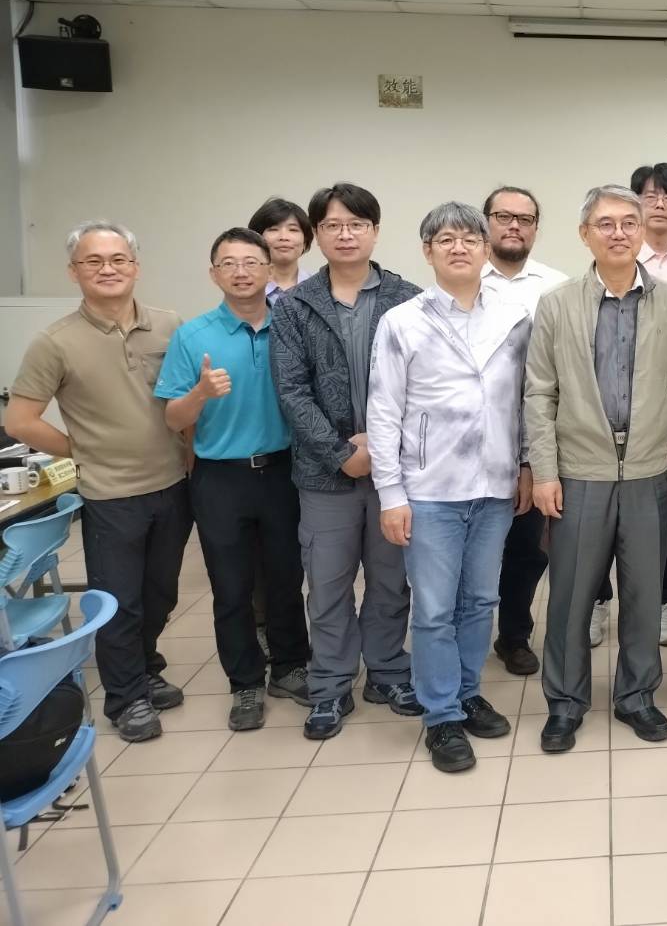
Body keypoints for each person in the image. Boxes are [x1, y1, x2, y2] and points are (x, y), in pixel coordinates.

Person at [6, 222, 192, 743]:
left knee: (161, 593)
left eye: (118, 259)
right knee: (120, 598)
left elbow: (184, 400)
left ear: (135, 266)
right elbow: (20, 420)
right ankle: (126, 698)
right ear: (74, 272)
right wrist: (81, 450)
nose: (108, 269)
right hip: (111, 493)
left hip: (172, 484)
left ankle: (145, 668)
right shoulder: (55, 342)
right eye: (94, 261)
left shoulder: (170, 326)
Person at [525, 185, 667, 753]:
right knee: (571, 596)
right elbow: (539, 393)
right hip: (578, 473)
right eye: (606, 223)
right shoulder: (557, 303)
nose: (618, 233)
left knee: (645, 594)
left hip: (647, 473)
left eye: (629, 222)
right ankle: (565, 702)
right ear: (585, 234)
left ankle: (637, 696)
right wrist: (545, 472)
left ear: (643, 231)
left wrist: (649, 424)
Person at [368, 203, 531, 773]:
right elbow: (383, 412)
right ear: (427, 251)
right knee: (435, 609)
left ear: (486, 248)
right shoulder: (402, 321)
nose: (458, 248)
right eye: (445, 239)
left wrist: (526, 466)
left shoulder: (513, 317)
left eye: (469, 238)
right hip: (430, 489)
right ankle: (440, 716)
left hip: (494, 487)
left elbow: (525, 402)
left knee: (480, 600)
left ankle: (465, 693)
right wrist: (391, 494)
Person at [271, 182, 422, 741]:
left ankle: (387, 671)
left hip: (395, 475)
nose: (346, 234)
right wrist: (341, 454)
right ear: (318, 235)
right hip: (324, 476)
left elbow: (426, 387)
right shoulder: (294, 306)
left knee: (391, 580)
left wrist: (381, 452)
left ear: (375, 231)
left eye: (356, 224)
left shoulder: (409, 299)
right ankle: (330, 685)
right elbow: (291, 391)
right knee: (328, 584)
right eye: (333, 225)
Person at [154, 227, 311, 732]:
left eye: (251, 262)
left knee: (286, 578)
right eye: (229, 263)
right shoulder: (193, 335)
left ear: (269, 270)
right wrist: (199, 393)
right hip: (221, 478)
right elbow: (173, 419)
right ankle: (244, 683)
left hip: (284, 472)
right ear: (214, 273)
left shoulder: (293, 325)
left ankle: (290, 668)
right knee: (231, 586)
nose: (241, 272)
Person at [588, 163, 667, 649]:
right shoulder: (605, 265)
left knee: (665, 520)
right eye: (649, 196)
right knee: (598, 524)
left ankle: (661, 603)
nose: (659, 203)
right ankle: (598, 601)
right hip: (598, 431)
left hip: (661, 427)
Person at [480, 186, 568, 678]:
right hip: (470, 444)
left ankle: (513, 635)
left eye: (525, 218)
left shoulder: (556, 287)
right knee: (471, 550)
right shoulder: (463, 279)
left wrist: (534, 458)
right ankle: (462, 635)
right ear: (486, 222)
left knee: (526, 549)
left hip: (534, 439)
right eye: (503, 216)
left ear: (536, 227)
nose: (514, 225)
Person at [248, 196, 314, 305]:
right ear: (257, 239)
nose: (284, 237)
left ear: (305, 241)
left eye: (293, 229)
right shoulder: (246, 288)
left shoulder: (320, 288)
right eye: (273, 229)